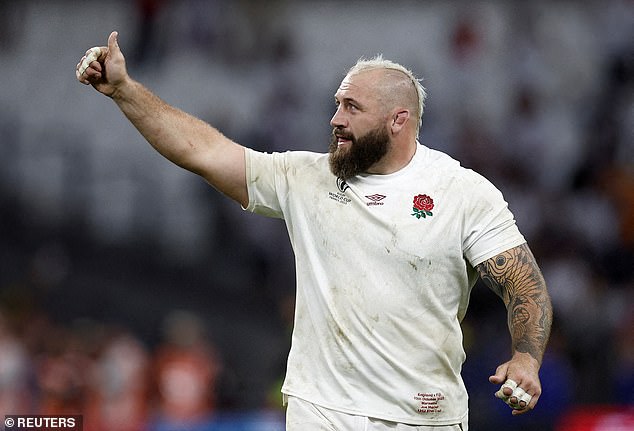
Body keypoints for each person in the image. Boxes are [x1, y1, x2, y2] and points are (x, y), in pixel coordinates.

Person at [76, 31, 553, 431]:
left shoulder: (462, 192)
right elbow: (200, 150)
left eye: (351, 108)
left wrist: (526, 359)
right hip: (322, 413)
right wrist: (124, 89)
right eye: (337, 104)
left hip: (425, 416)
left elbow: (524, 284)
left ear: (398, 121)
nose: (335, 119)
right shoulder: (305, 178)